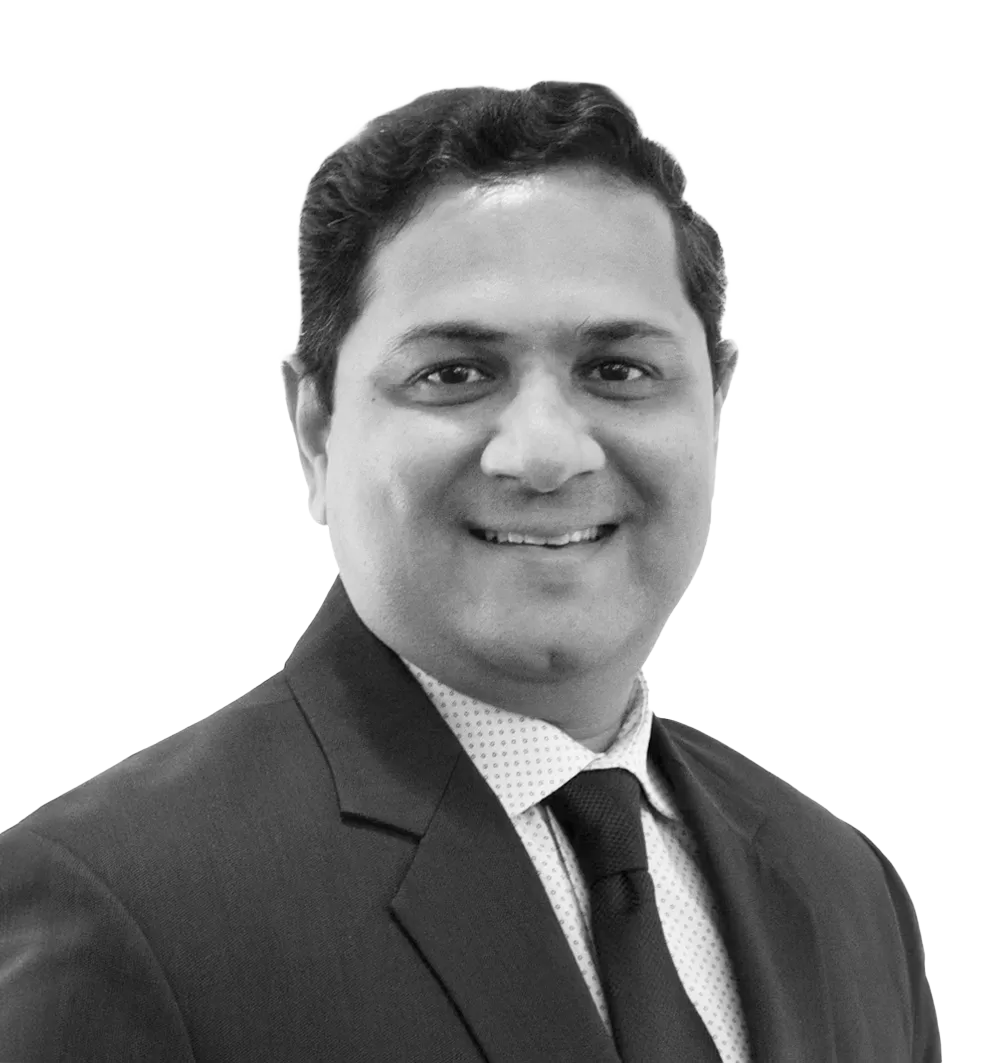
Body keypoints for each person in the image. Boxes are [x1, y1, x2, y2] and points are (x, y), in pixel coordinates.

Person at [0, 81, 940, 1062]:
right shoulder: (115, 912)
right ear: (316, 430)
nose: (545, 453)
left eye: (618, 370)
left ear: (715, 405)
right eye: (454, 373)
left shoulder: (846, 892)